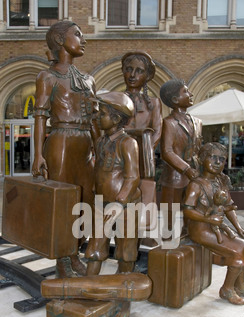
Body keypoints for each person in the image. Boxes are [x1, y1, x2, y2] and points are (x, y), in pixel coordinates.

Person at [32, 20, 100, 278]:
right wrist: (38, 154)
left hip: (85, 144)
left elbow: (94, 120)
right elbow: (40, 117)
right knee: (63, 203)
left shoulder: (88, 79)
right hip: (60, 141)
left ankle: (76, 250)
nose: (83, 40)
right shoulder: (47, 76)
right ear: (60, 40)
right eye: (78, 34)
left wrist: (100, 148)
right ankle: (64, 257)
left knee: (86, 201)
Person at [183, 142, 244, 306]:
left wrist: (239, 228)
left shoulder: (221, 181)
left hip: (215, 227)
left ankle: (240, 285)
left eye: (222, 159)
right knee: (237, 250)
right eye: (213, 157)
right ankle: (227, 289)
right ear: (203, 159)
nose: (218, 162)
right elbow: (187, 210)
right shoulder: (196, 184)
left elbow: (228, 207)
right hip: (200, 230)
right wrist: (207, 219)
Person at [85, 92, 141, 276]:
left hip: (125, 206)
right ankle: (88, 284)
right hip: (102, 204)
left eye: (102, 114)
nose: (99, 118)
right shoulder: (100, 142)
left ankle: (123, 286)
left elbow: (133, 176)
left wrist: (121, 198)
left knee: (125, 249)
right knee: (95, 246)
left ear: (116, 118)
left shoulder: (128, 143)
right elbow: (98, 170)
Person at [159, 78, 202, 230]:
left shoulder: (197, 122)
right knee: (169, 218)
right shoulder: (168, 123)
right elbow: (167, 151)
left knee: (192, 213)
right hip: (174, 177)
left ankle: (188, 238)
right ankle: (167, 245)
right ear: (175, 100)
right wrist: (186, 169)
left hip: (195, 176)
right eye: (186, 91)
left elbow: (199, 148)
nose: (190, 94)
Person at [122, 51, 162, 179]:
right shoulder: (117, 99)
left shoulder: (154, 103)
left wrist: (146, 150)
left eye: (139, 71)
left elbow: (157, 131)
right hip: (119, 155)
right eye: (129, 69)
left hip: (143, 156)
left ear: (147, 75)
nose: (132, 75)